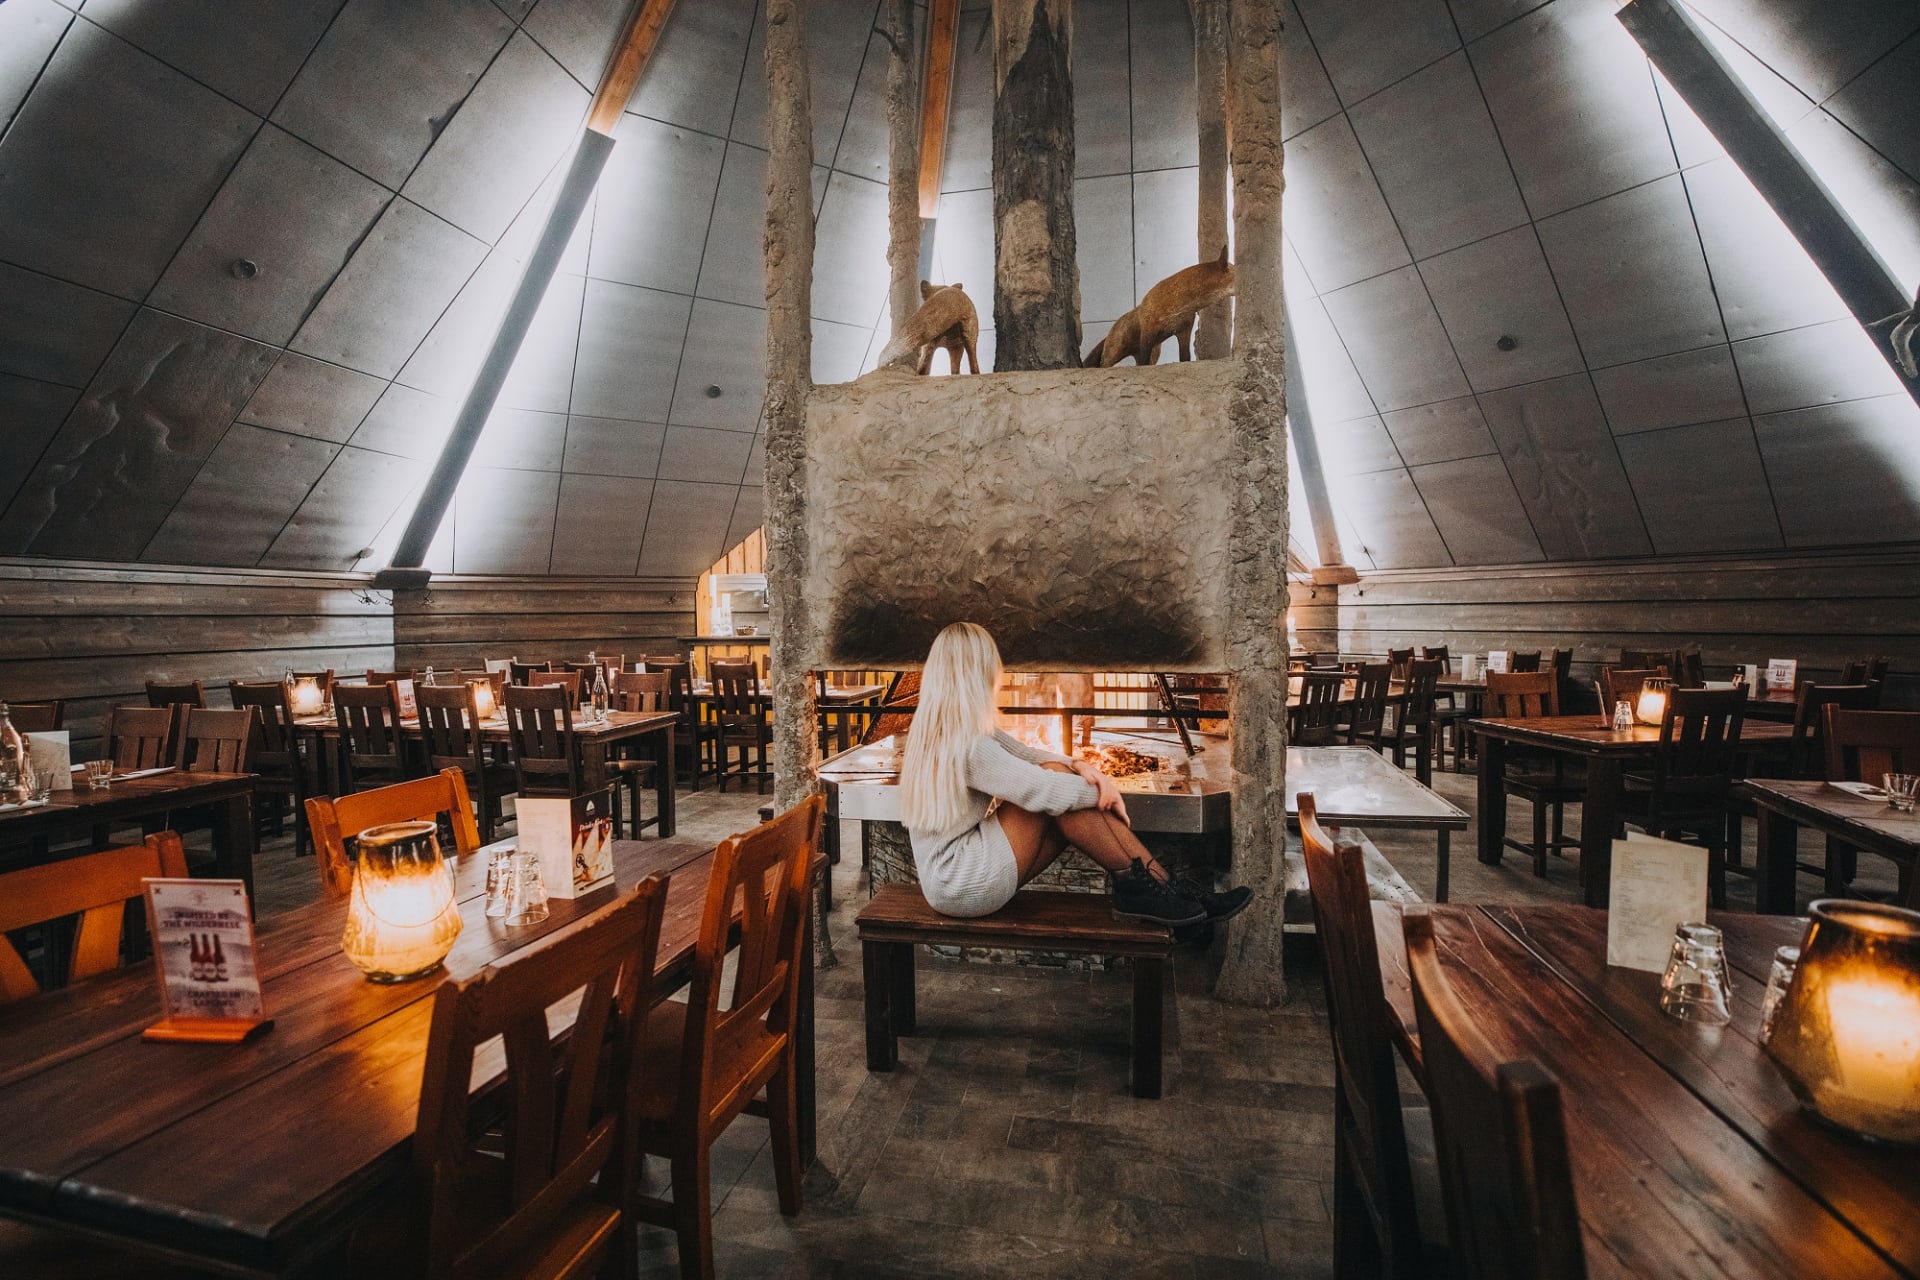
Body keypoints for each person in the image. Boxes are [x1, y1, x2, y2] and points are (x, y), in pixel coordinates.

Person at [898, 621, 1251, 925]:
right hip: (962, 883)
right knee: (1056, 792)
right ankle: (1152, 887)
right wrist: (1103, 794)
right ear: (975, 674)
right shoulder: (968, 746)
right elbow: (1041, 789)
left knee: (1059, 790)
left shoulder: (943, 728)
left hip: (949, 880)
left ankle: (1156, 888)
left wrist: (1081, 765)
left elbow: (1031, 754)